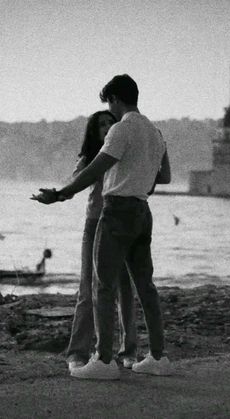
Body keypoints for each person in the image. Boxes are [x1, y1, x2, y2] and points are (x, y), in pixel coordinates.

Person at [31, 74, 172, 380]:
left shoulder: (123, 129)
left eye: (110, 102)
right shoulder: (155, 131)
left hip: (117, 211)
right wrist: (135, 173)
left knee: (102, 285)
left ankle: (104, 360)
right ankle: (158, 357)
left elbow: (95, 167)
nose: (111, 108)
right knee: (145, 287)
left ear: (116, 99)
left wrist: (59, 194)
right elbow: (165, 177)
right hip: (142, 211)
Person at [66, 111, 137, 371]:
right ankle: (77, 352)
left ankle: (129, 351)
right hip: (95, 222)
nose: (107, 127)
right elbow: (76, 180)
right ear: (94, 131)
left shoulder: (123, 150)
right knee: (88, 287)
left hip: (121, 221)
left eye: (110, 122)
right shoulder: (92, 156)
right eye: (101, 125)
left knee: (124, 289)